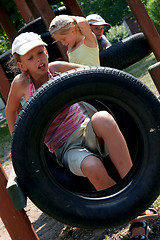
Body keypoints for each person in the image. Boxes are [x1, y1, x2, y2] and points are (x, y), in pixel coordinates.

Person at [6, 32, 158, 240]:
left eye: (40, 52)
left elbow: (93, 74)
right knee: (91, 166)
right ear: (22, 65)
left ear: (47, 52)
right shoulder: (21, 84)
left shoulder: (56, 69)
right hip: (66, 148)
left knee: (103, 117)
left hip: (86, 128)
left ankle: (137, 189)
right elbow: (11, 111)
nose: (39, 59)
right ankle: (131, 213)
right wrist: (18, 146)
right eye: (30, 58)